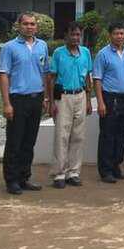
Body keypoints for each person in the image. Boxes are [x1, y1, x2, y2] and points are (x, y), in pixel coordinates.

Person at [0, 12, 49, 195]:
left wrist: (45, 97)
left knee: (29, 141)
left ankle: (24, 177)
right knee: (15, 141)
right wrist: (6, 103)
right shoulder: (9, 47)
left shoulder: (42, 46)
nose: (29, 27)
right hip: (17, 99)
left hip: (36, 99)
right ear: (18, 26)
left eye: (32, 24)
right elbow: (4, 75)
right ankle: (11, 180)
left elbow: (45, 72)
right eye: (26, 24)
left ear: (37, 27)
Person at [47, 21, 93, 189]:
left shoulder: (85, 52)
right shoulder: (59, 53)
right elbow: (51, 78)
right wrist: (51, 102)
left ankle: (73, 172)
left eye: (78, 34)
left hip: (80, 95)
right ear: (66, 36)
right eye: (72, 34)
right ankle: (59, 173)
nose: (75, 38)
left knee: (78, 136)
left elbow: (87, 77)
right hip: (63, 97)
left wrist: (88, 100)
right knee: (62, 135)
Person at [93, 23, 124, 183]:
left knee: (122, 134)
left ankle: (116, 167)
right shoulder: (103, 54)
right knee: (108, 135)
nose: (119, 36)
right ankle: (106, 171)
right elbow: (97, 79)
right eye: (116, 33)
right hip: (109, 98)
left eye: (122, 33)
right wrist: (100, 102)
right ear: (110, 35)